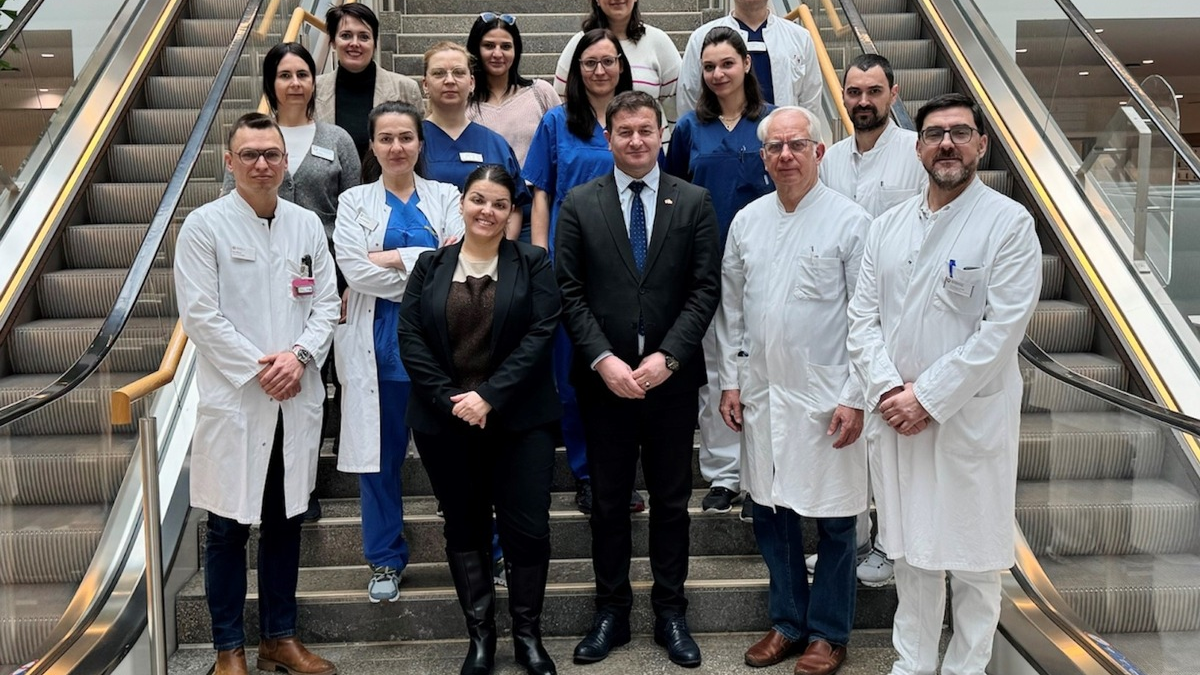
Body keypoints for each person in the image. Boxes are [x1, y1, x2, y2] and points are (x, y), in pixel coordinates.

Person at [846, 93, 1042, 675]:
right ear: (919, 148)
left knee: (976, 561)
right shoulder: (886, 227)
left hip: (967, 418)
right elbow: (862, 319)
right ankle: (912, 663)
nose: (947, 144)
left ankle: (964, 668)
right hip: (897, 417)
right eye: (934, 134)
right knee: (911, 554)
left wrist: (927, 398)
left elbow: (1001, 331)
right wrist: (889, 392)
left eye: (959, 133)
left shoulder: (1008, 224)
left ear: (981, 144)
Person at [556, 91, 721, 668]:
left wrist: (668, 358)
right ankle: (612, 612)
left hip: (670, 383)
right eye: (624, 131)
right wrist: (604, 360)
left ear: (661, 134)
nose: (635, 140)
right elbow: (569, 291)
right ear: (608, 138)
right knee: (608, 503)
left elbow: (705, 289)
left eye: (645, 130)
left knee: (672, 502)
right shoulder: (580, 202)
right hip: (606, 384)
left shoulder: (693, 201)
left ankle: (671, 612)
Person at [174, 112, 338, 675]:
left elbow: (326, 304)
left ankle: (279, 639)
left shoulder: (305, 225)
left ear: (286, 162)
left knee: (286, 522)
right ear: (230, 161)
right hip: (238, 401)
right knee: (226, 529)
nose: (262, 164)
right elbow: (201, 316)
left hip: (295, 395)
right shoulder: (204, 226)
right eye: (249, 155)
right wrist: (261, 369)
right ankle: (229, 650)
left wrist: (299, 357)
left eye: (271, 154)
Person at [716, 106, 868, 675]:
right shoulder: (748, 221)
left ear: (819, 152)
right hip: (763, 394)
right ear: (763, 157)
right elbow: (731, 309)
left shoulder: (851, 221)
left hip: (827, 398)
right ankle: (786, 622)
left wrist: (855, 394)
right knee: (770, 513)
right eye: (775, 147)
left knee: (835, 520)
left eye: (797, 145)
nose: (785, 155)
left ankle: (828, 633)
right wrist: (730, 380)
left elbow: (867, 317)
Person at [399, 165, 562, 675]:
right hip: (446, 423)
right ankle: (481, 639)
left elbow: (541, 335)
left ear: (512, 212)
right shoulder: (430, 265)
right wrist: (452, 399)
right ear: (462, 203)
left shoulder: (533, 263)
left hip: (520, 422)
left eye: (498, 204)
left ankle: (528, 636)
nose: (487, 211)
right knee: (464, 528)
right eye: (478, 200)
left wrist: (488, 396)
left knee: (528, 531)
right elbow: (411, 337)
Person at [332, 102, 465, 604]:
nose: (396, 147)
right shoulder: (354, 201)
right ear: (371, 145)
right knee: (379, 462)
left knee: (457, 460)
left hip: (439, 353)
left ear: (420, 143)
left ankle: (479, 549)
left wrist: (387, 258)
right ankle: (385, 558)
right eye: (385, 138)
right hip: (379, 352)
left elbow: (459, 262)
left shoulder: (446, 195)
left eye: (406, 137)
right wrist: (423, 268)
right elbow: (354, 270)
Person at [818, 52, 927, 588]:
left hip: (900, 312)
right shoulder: (832, 160)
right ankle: (855, 542)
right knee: (848, 439)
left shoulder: (916, 152)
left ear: (894, 93)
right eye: (854, 92)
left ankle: (890, 546)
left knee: (888, 442)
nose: (863, 101)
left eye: (874, 91)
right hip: (845, 312)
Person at [525, 28, 641, 516]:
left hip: (627, 267)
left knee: (626, 369)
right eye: (589, 62)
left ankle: (621, 473)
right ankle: (587, 473)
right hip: (569, 268)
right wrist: (539, 260)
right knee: (574, 376)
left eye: (608, 61)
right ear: (575, 70)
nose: (599, 70)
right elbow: (541, 193)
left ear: (621, 66)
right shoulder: (556, 121)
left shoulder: (633, 120)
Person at [664, 26, 774, 521]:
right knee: (714, 373)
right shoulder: (690, 128)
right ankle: (724, 475)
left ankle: (761, 475)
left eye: (727, 63)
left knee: (763, 369)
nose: (718, 74)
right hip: (706, 265)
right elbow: (674, 194)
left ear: (746, 64)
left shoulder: (771, 123)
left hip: (766, 262)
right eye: (709, 66)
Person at [465, 12, 560, 243]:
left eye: (506, 46)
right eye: (489, 46)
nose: (498, 54)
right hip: (483, 210)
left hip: (536, 207)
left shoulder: (540, 92)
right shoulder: (464, 102)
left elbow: (561, 144)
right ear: (475, 49)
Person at [422, 41, 528, 238]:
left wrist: (502, 249)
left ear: (472, 83)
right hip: (426, 250)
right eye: (439, 73)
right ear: (425, 85)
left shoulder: (495, 144)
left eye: (458, 73)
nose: (449, 80)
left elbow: (514, 207)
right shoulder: (410, 142)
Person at [676, 0, 821, 118]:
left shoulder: (800, 38)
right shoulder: (701, 38)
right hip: (721, 139)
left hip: (783, 139)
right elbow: (688, 97)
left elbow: (810, 101)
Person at [317, 3, 423, 157]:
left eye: (364, 37)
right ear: (333, 42)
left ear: (374, 43)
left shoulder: (405, 88)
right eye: (346, 35)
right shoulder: (314, 89)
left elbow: (418, 148)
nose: (355, 43)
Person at [553, 0, 681, 110]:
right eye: (591, 63)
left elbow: (675, 105)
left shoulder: (658, 41)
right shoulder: (579, 43)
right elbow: (560, 100)